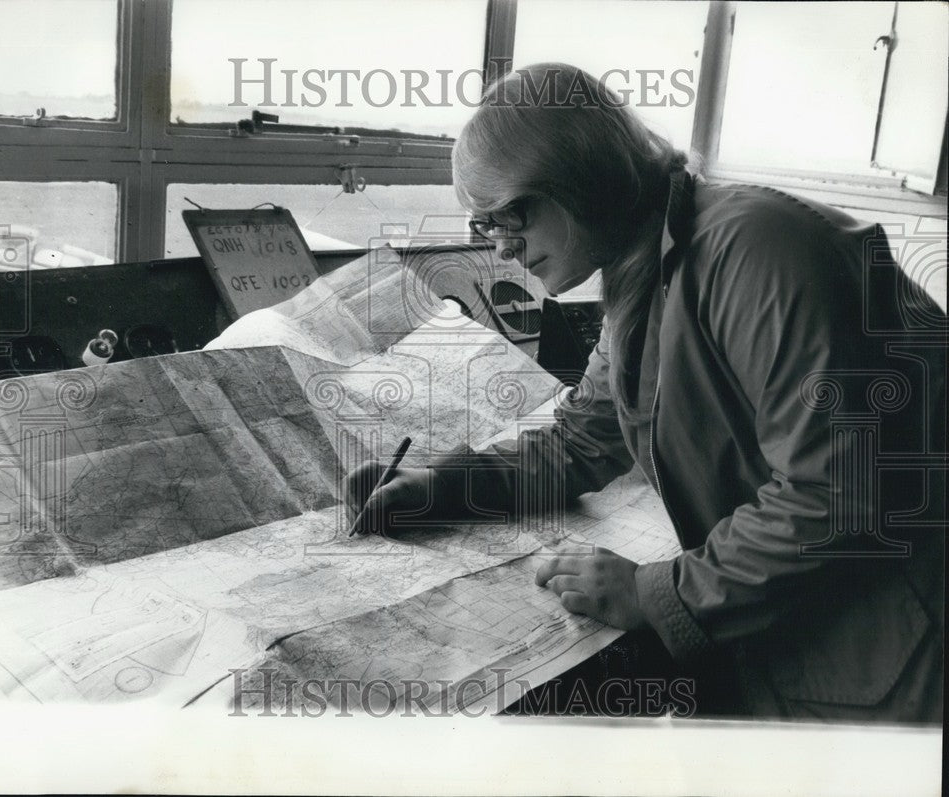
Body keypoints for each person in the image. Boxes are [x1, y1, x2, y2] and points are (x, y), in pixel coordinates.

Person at [343, 63, 945, 722]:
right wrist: (437, 487)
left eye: (511, 214)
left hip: (898, 665)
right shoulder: (642, 271)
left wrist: (656, 592)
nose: (503, 247)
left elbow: (837, 490)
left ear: (584, 178)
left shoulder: (756, 249)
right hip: (799, 644)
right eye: (485, 225)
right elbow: (579, 440)